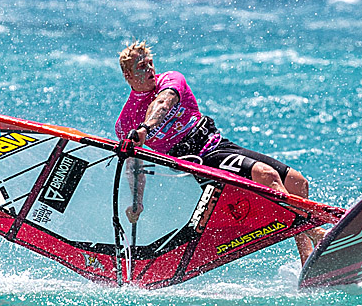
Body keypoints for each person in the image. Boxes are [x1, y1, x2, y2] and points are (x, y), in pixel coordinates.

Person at [114, 40, 325, 264]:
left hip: (218, 145)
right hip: (199, 162)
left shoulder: (171, 79)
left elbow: (163, 103)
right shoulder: (126, 121)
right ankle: (318, 236)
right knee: (268, 177)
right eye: (142, 67)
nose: (150, 70)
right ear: (128, 75)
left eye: (150, 63)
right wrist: (137, 201)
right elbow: (134, 163)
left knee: (297, 182)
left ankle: (308, 261)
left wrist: (145, 129)